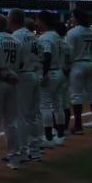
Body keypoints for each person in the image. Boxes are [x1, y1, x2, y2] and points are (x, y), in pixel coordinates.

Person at [0, 14, 23, 171]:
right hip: (12, 81)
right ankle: (14, 159)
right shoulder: (15, 40)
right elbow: (21, 63)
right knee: (11, 121)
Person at [8, 9, 44, 162]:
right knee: (33, 114)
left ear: (12, 20)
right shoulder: (33, 36)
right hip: (35, 74)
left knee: (21, 116)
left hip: (23, 76)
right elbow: (42, 55)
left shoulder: (16, 36)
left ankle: (22, 151)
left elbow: (18, 60)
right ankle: (35, 149)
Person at [35, 11, 68, 146]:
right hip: (59, 72)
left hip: (50, 73)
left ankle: (48, 138)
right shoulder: (56, 35)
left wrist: (44, 74)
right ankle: (60, 135)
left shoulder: (46, 37)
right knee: (57, 104)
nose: (37, 23)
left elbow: (47, 55)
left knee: (45, 106)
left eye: (38, 20)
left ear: (42, 21)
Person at [65, 8, 92, 135]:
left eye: (72, 17)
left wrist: (67, 68)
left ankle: (78, 126)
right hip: (91, 63)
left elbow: (69, 53)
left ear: (77, 18)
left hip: (77, 64)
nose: (71, 19)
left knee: (76, 96)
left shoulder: (72, 32)